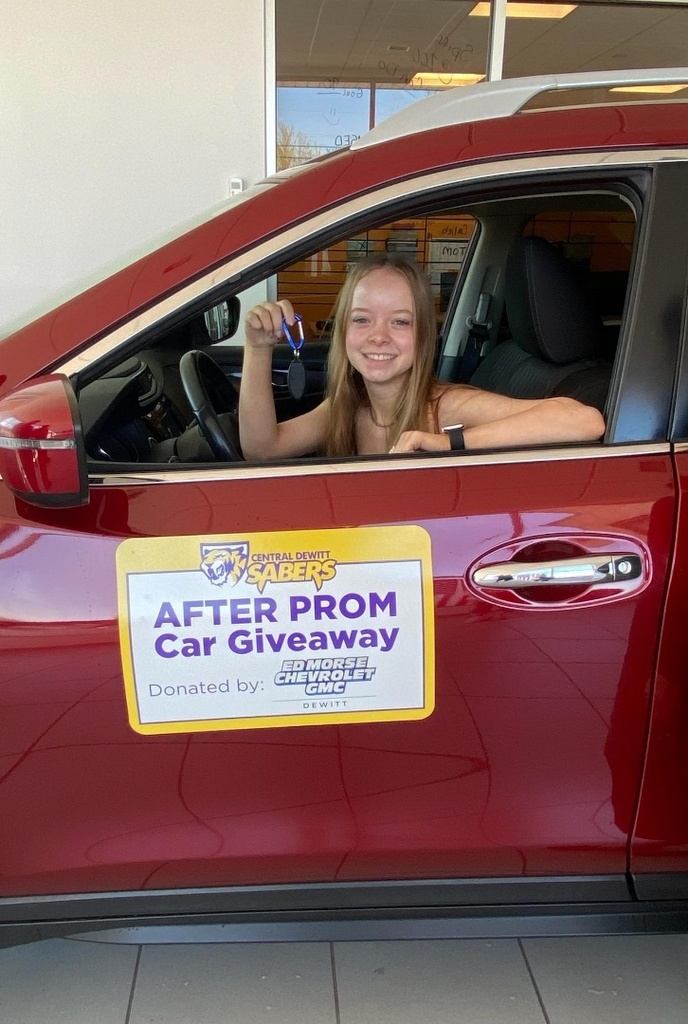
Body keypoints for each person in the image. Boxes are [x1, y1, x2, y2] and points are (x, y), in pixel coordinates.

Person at [238, 253, 605, 461]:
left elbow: (583, 421)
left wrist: (446, 443)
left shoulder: (444, 407)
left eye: (400, 321)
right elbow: (262, 449)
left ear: (423, 336)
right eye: (362, 319)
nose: (378, 335)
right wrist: (257, 349)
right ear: (343, 332)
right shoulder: (348, 407)